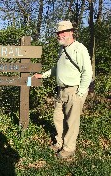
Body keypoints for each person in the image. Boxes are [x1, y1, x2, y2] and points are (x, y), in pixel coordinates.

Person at [34, 20, 93, 159]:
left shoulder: (80, 48)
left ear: (71, 33)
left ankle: (68, 148)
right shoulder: (62, 49)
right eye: (58, 33)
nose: (59, 35)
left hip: (74, 90)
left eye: (62, 32)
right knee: (58, 117)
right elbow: (57, 69)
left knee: (72, 122)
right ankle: (59, 142)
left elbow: (87, 72)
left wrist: (81, 92)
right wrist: (42, 75)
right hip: (61, 91)